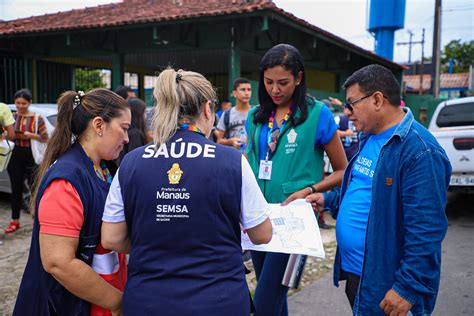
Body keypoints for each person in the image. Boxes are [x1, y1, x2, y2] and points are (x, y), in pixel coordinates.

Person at [101, 68, 272, 315]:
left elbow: (112, 238)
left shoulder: (132, 162)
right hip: (218, 301)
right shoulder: (231, 161)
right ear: (207, 108)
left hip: (148, 301)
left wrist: (159, 241)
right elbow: (262, 234)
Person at [306, 64, 451, 315]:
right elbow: (362, 190)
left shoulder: (419, 151)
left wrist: (407, 288)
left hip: (389, 285)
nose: (348, 113)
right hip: (359, 275)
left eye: (352, 103)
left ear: (376, 100)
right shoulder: (370, 137)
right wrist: (328, 199)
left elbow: (426, 230)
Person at [245, 44, 347, 316]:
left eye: (283, 83)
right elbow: (250, 163)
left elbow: (341, 170)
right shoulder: (255, 117)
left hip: (294, 224)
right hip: (259, 219)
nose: (275, 90)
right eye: (268, 82)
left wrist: (311, 189)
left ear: (299, 79)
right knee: (276, 303)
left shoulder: (317, 115)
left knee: (265, 304)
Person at [14, 88, 131, 316]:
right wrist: (117, 302)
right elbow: (58, 263)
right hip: (62, 306)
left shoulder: (104, 168)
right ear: (99, 125)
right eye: (124, 128)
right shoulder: (67, 180)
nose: (127, 138)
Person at [5, 88, 48, 233]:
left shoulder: (37, 118)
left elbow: (45, 137)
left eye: (23, 103)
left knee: (34, 188)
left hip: (31, 156)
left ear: (29, 103)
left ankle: (38, 219)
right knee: (15, 188)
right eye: (18, 103)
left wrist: (30, 135)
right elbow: (5, 134)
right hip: (14, 155)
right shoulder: (11, 117)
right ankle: (14, 220)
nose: (20, 106)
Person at [216, 78, 252, 151]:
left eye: (249, 89)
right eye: (243, 89)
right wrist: (231, 141)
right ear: (234, 93)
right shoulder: (227, 114)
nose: (247, 93)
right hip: (234, 157)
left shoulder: (256, 112)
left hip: (252, 159)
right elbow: (219, 141)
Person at [117, 97, 148, 164]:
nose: (146, 116)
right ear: (138, 113)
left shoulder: (127, 131)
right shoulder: (135, 134)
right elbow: (135, 159)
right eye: (144, 112)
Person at [328, 96, 360, 162]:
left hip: (356, 156)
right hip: (342, 154)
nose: (349, 111)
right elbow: (331, 132)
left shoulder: (358, 118)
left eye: (351, 109)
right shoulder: (339, 118)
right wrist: (345, 133)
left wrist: (340, 103)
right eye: (347, 109)